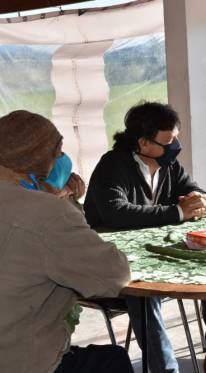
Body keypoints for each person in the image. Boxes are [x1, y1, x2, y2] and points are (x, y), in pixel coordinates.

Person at [84, 101, 206, 373]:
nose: (176, 145)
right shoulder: (112, 165)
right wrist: (177, 212)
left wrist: (202, 202)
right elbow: (116, 213)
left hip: (157, 256)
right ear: (143, 143)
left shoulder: (169, 165)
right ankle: (166, 370)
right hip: (114, 267)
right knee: (144, 294)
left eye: (176, 137)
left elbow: (194, 190)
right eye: (169, 140)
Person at [0, 110, 133, 373]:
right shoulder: (46, 212)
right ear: (40, 158)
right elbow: (113, 275)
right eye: (57, 153)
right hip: (19, 359)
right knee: (112, 360)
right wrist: (64, 202)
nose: (61, 160)